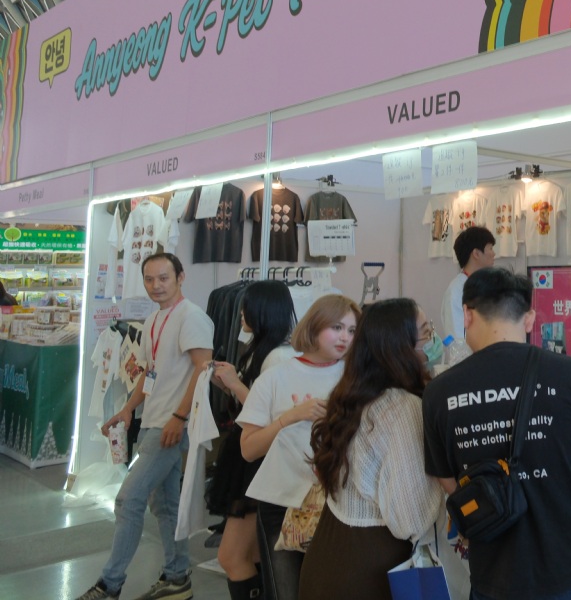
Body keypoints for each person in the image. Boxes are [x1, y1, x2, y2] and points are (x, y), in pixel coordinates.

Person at [423, 268, 571, 600]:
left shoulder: (439, 392)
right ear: (529, 318)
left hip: (495, 579)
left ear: (467, 315)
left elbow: (449, 482)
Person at [76, 253, 215, 600]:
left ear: (180, 277)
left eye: (163, 278)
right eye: (150, 279)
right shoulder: (154, 318)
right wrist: (127, 409)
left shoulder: (192, 317)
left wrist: (179, 418)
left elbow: (204, 370)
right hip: (154, 421)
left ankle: (109, 585)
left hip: (171, 425)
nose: (156, 286)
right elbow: (149, 375)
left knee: (128, 500)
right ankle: (177, 577)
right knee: (164, 506)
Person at [300, 299, 442, 599]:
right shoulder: (403, 407)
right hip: (370, 568)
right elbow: (410, 520)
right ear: (400, 346)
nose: (431, 341)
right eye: (425, 333)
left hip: (326, 553)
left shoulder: (351, 394)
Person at [238, 294, 361, 600]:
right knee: (286, 591)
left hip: (340, 502)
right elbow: (248, 449)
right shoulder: (274, 378)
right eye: (336, 327)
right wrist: (289, 418)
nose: (345, 337)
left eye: (351, 330)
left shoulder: (355, 379)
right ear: (314, 326)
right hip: (282, 501)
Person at [206, 281, 297, 600]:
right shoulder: (258, 350)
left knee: (232, 557)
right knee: (252, 556)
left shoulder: (279, 356)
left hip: (258, 463)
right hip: (248, 459)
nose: (241, 313)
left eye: (248, 307)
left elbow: (271, 416)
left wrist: (235, 384)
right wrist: (228, 384)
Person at [441, 226, 495, 343]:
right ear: (476, 253)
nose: (493, 254)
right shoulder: (456, 291)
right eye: (490, 248)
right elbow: (457, 339)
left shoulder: (486, 286)